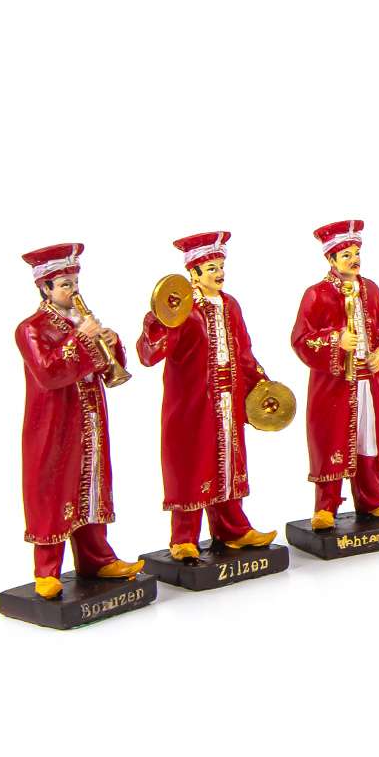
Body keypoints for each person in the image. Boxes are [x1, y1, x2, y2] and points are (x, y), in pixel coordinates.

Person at [137, 231, 278, 558]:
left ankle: (233, 528)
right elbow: (149, 354)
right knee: (192, 465)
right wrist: (161, 318)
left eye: (221, 266)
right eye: (211, 268)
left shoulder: (230, 305)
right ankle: (183, 538)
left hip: (229, 401)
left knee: (228, 463)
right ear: (194, 272)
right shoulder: (183, 310)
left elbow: (244, 352)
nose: (219, 273)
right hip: (193, 406)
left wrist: (262, 384)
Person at [16, 244, 144, 599]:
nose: (73, 291)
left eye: (74, 283)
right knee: (53, 490)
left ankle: (97, 559)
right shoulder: (30, 329)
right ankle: (46, 571)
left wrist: (111, 345)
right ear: (45, 288)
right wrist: (81, 338)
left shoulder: (79, 322)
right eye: (65, 285)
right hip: (54, 425)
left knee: (92, 487)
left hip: (90, 420)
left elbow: (104, 369)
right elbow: (49, 373)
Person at [292, 219, 379, 529]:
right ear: (331, 259)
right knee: (330, 439)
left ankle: (373, 499)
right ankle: (325, 506)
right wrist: (336, 340)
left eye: (357, 253)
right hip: (334, 384)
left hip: (368, 381)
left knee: (368, 439)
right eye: (346, 255)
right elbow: (301, 339)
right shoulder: (316, 294)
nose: (354, 259)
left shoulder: (371, 289)